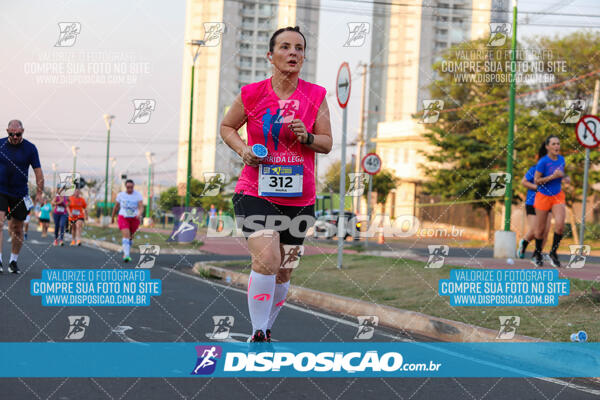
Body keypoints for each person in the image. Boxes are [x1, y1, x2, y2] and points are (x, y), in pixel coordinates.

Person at [220, 27, 332, 342]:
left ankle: (267, 327)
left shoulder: (316, 95)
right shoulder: (252, 93)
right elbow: (227, 126)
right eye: (285, 47)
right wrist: (243, 150)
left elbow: (326, 143)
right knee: (268, 258)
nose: (293, 53)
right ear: (271, 56)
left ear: (304, 56)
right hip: (255, 190)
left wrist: (307, 136)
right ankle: (256, 330)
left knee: (285, 269)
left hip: (300, 198)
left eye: (299, 48)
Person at [0, 120, 44, 274]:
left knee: (16, 228)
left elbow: (38, 171)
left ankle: (13, 261)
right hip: (1, 190)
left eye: (18, 134)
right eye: (11, 134)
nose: (14, 137)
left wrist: (39, 192)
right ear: (7, 131)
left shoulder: (30, 149)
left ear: (22, 132)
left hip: (20, 193)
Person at [532, 136, 569, 267]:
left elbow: (563, 174)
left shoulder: (562, 159)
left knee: (560, 225)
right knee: (540, 230)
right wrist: (553, 176)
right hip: (543, 196)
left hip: (558, 195)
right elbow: (536, 180)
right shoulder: (543, 162)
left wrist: (565, 178)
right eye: (553, 144)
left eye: (558, 144)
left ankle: (553, 253)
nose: (556, 146)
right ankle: (537, 253)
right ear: (547, 146)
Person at [517, 147, 553, 259]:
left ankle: (536, 255)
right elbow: (524, 182)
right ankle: (524, 243)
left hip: (547, 203)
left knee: (545, 231)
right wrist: (537, 187)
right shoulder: (535, 169)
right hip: (533, 202)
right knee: (535, 229)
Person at [111, 179, 143, 262]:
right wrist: (112, 217)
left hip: (134, 218)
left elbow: (141, 206)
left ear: (133, 187)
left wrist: (139, 213)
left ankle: (127, 249)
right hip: (123, 217)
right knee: (126, 235)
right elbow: (116, 207)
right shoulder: (121, 195)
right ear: (126, 187)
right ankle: (126, 255)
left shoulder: (138, 195)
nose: (130, 189)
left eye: (131, 187)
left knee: (131, 237)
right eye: (128, 187)